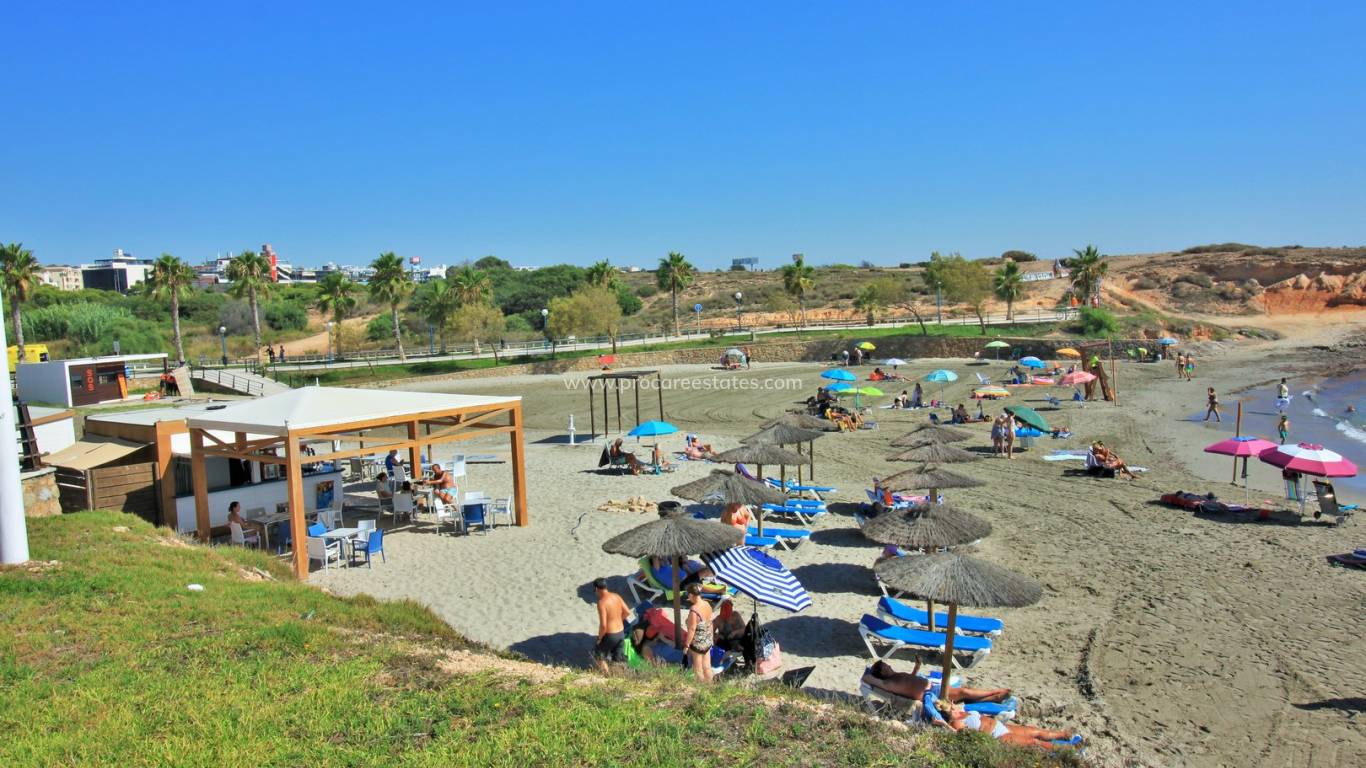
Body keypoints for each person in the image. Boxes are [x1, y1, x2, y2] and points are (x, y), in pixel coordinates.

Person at [932, 698, 1078, 751]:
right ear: (950, 710)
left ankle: (1066, 735)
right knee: (1034, 742)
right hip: (997, 737)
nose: (955, 705)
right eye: (952, 706)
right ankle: (1067, 749)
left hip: (1001, 726)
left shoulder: (963, 712)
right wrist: (944, 725)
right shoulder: (957, 722)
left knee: (1035, 731)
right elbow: (964, 735)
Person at [862, 660, 1011, 704]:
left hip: (933, 687)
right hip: (930, 693)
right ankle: (995, 692)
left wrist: (917, 667)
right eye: (885, 666)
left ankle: (994, 698)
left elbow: (909, 680)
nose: (888, 665)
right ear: (882, 672)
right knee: (963, 691)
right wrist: (871, 673)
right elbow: (867, 678)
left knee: (964, 696)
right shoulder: (888, 683)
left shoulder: (896, 676)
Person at [592, 578, 631, 674]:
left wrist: (600, 638)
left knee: (599, 655)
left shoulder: (601, 603)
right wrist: (618, 619)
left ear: (597, 589)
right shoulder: (616, 596)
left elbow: (603, 625)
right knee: (618, 659)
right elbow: (627, 612)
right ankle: (621, 676)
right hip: (621, 633)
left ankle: (606, 676)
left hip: (610, 635)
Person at [682, 584, 715, 683]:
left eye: (688, 595)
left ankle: (701, 689)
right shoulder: (707, 604)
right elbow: (710, 621)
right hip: (707, 637)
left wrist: (686, 645)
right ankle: (709, 686)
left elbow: (692, 629)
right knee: (707, 666)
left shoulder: (694, 610)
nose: (688, 597)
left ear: (692, 595)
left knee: (698, 668)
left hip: (698, 640)